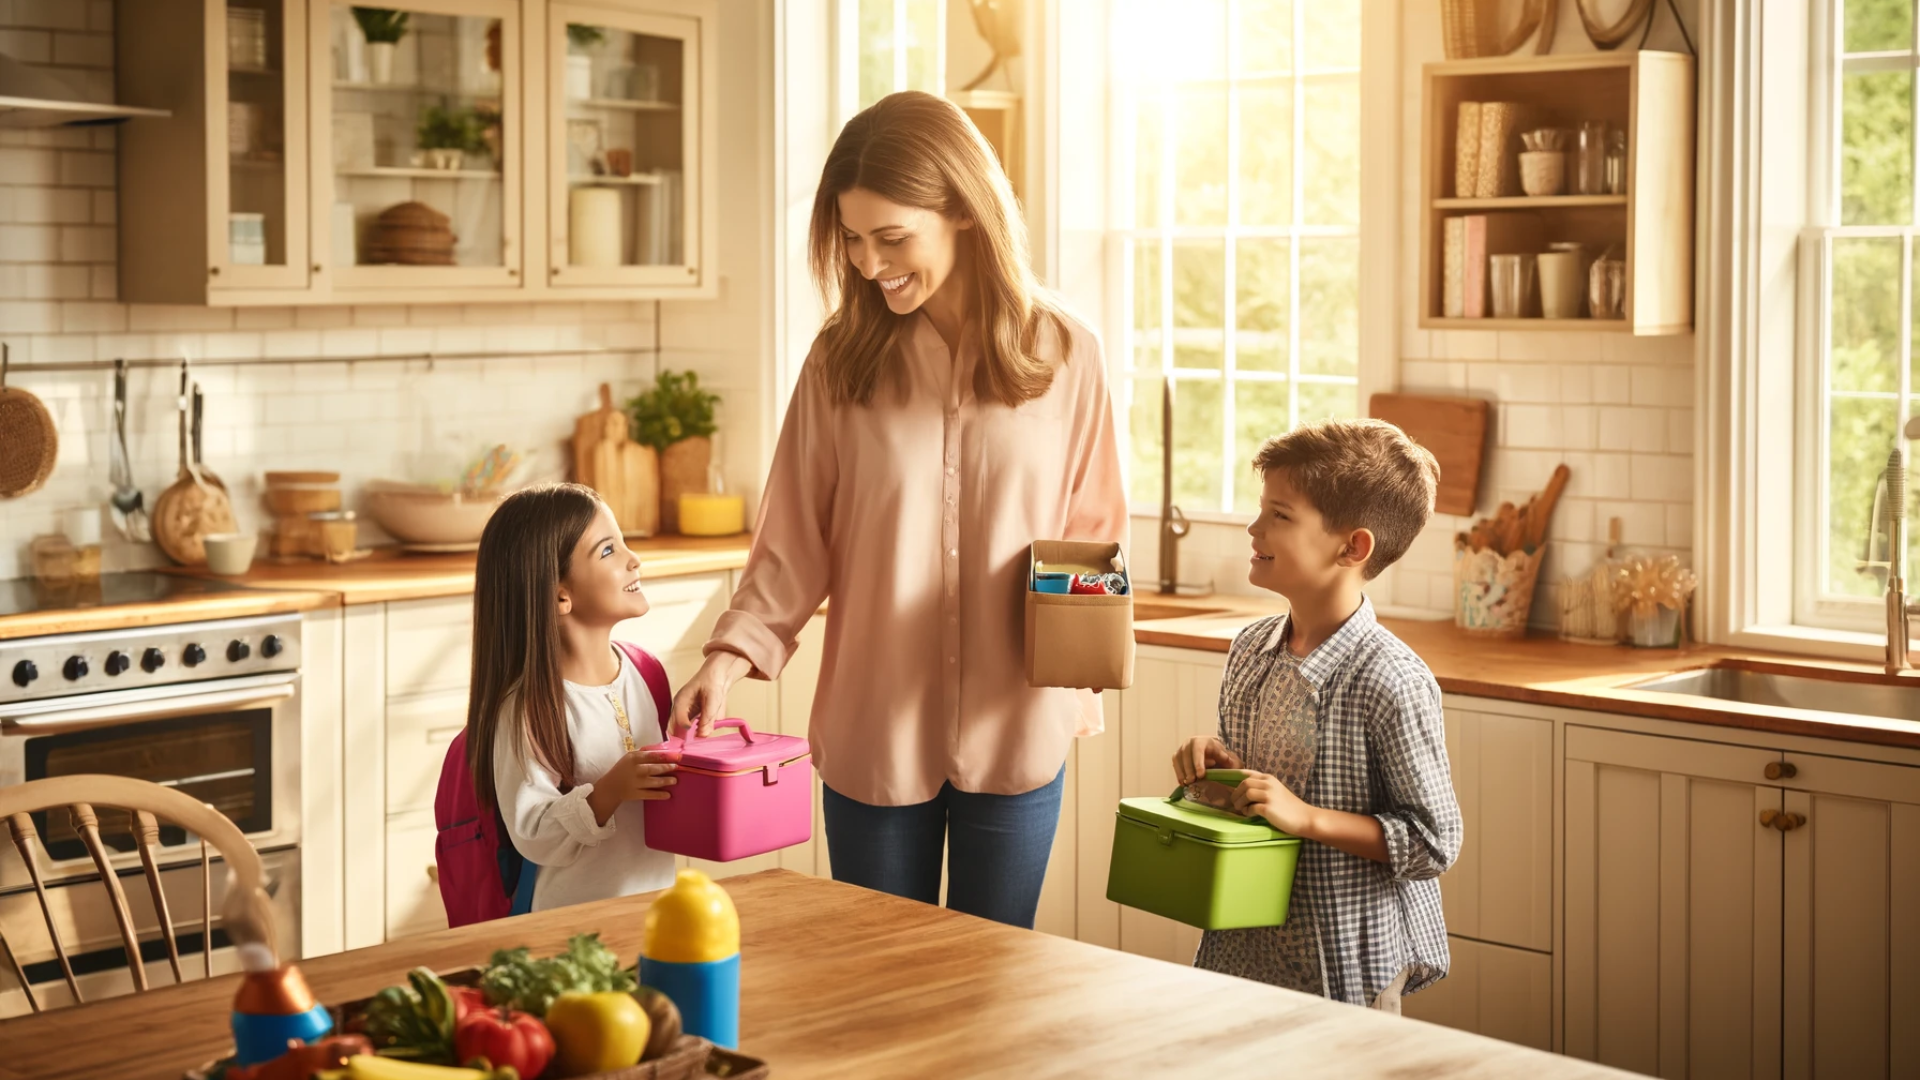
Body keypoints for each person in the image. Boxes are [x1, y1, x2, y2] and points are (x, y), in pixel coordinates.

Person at [670, 91, 1127, 929]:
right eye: (851, 239)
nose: (870, 264)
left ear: (960, 208)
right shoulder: (840, 360)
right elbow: (792, 541)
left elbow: (1093, 533)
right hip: (875, 726)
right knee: (875, 983)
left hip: (1017, 724)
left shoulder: (1065, 352)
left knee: (994, 981)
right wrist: (727, 660)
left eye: (891, 238)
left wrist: (1075, 676)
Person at [1171, 419, 1463, 1012]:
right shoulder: (1250, 649)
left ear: (1352, 547)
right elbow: (1260, 799)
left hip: (1347, 968)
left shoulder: (1393, 680)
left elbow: (1434, 842)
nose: (1254, 527)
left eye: (1280, 514)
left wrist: (1306, 818)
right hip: (1243, 952)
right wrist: (1223, 774)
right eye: (1261, 509)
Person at [465, 482, 682, 912]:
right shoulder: (529, 708)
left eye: (623, 544)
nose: (633, 559)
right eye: (608, 551)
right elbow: (531, 831)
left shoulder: (645, 674)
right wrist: (608, 791)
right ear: (559, 594)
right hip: (571, 932)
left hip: (656, 910)